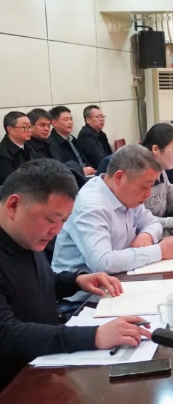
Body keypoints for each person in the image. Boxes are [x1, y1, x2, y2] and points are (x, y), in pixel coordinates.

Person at [0, 159, 152, 391]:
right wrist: (95, 336)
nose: (57, 230)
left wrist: (76, 280)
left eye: (64, 220)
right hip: (16, 383)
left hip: (47, 362)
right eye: (50, 220)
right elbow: (7, 334)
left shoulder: (26, 233)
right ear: (13, 205)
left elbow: (31, 286)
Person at [52, 145, 173, 278]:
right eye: (145, 186)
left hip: (119, 278)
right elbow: (102, 263)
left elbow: (153, 223)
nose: (148, 194)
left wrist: (147, 235)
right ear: (119, 177)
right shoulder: (91, 206)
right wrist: (160, 251)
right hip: (81, 290)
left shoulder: (126, 195)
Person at [47, 106, 95, 177]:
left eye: (71, 119)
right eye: (66, 119)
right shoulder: (51, 143)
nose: (70, 122)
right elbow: (60, 168)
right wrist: (81, 171)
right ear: (54, 123)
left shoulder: (73, 139)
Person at [0, 111, 37, 185]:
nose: (29, 130)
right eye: (25, 127)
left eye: (30, 126)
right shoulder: (2, 154)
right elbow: (11, 182)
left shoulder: (29, 148)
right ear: (10, 130)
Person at [76, 105, 112, 169]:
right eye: (97, 117)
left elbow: (109, 154)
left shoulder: (101, 134)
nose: (101, 119)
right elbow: (98, 160)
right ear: (88, 120)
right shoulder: (86, 135)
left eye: (102, 116)